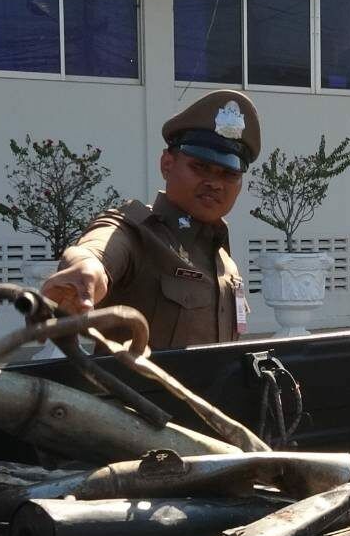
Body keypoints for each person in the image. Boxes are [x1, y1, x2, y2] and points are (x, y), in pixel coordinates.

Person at [40, 90, 257, 349]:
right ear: (167, 164)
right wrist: (85, 270)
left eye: (228, 174)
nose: (214, 183)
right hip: (135, 390)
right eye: (200, 167)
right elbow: (99, 247)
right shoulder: (135, 230)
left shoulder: (224, 259)